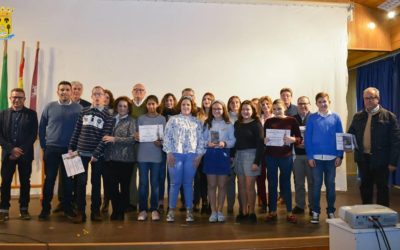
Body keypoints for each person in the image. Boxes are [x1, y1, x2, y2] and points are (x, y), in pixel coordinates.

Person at [348, 87, 400, 207]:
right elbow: (351, 134)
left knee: (382, 188)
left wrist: (393, 162)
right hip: (363, 159)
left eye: (372, 98)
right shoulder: (358, 116)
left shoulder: (389, 116)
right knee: (365, 187)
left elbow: (396, 141)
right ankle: (367, 214)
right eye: (366, 98)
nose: (369, 100)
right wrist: (346, 144)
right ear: (363, 100)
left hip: (382, 160)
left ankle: (382, 215)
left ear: (378, 98)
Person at [68, 86, 113, 223]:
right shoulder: (84, 111)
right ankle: (81, 212)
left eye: (100, 94)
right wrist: (71, 147)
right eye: (95, 94)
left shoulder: (108, 114)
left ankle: (95, 211)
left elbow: (106, 137)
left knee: (96, 183)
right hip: (81, 152)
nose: (97, 96)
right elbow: (77, 130)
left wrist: (96, 153)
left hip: (97, 155)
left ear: (104, 97)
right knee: (80, 183)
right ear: (91, 96)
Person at [38, 81, 82, 221]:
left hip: (71, 151)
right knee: (49, 179)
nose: (64, 92)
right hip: (52, 149)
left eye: (67, 89)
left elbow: (82, 129)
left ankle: (68, 209)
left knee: (69, 181)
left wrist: (77, 148)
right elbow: (42, 127)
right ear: (58, 92)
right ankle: (45, 209)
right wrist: (45, 146)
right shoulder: (50, 107)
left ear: (71, 92)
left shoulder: (79, 108)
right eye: (61, 89)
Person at [163, 96, 205, 223]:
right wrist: (168, 153)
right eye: (183, 104)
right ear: (180, 106)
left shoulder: (197, 122)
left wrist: (199, 156)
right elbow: (167, 137)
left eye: (188, 105)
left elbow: (201, 141)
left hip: (191, 157)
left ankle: (189, 210)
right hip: (175, 155)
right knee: (174, 184)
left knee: (188, 184)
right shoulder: (173, 120)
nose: (186, 107)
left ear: (192, 107)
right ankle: (171, 210)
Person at [305, 92, 343, 224]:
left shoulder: (336, 118)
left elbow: (340, 137)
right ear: (316, 104)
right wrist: (310, 156)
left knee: (330, 186)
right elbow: (307, 139)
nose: (323, 104)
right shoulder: (312, 118)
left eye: (325, 101)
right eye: (320, 102)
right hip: (316, 159)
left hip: (332, 159)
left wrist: (339, 155)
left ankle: (331, 211)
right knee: (316, 186)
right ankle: (315, 212)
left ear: (329, 102)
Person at [0, 88, 38, 222]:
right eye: (14, 97)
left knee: (25, 182)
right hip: (8, 156)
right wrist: (11, 149)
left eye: (20, 97)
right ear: (10, 98)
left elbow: (33, 135)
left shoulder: (32, 114)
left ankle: (24, 208)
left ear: (25, 99)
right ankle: (4, 209)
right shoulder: (2, 114)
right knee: (5, 182)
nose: (17, 100)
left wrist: (20, 150)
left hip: (25, 155)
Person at [53, 80, 90, 214]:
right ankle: (63, 201)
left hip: (79, 146)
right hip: (64, 145)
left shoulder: (87, 106)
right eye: (74, 88)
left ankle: (75, 201)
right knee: (64, 175)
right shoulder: (63, 104)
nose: (76, 91)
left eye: (79, 89)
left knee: (76, 174)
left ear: (82, 91)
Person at [264, 99, 301, 224]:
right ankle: (272, 211)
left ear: (284, 107)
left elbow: (299, 139)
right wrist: (265, 140)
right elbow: (265, 137)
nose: (276, 111)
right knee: (272, 184)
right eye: (274, 109)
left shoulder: (292, 120)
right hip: (271, 157)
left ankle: (289, 212)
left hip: (286, 156)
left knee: (286, 184)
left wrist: (293, 139)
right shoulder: (268, 121)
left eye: (279, 108)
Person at [102, 96, 136, 221]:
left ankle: (120, 212)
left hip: (125, 160)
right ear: (116, 107)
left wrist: (114, 139)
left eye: (125, 106)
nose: (122, 108)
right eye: (120, 106)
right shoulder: (110, 119)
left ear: (128, 109)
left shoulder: (131, 121)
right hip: (110, 158)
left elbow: (132, 139)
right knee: (111, 187)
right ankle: (116, 209)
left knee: (124, 187)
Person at [203, 100, 235, 222]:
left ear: (223, 110)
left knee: (222, 185)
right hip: (210, 155)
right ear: (211, 110)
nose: (217, 111)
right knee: (211, 185)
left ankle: (220, 211)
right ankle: (213, 211)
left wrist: (224, 143)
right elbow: (201, 140)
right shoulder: (207, 124)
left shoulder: (228, 124)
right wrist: (207, 143)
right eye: (214, 109)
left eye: (219, 109)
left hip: (223, 155)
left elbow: (233, 141)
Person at [136, 95, 166, 221]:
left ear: (157, 104)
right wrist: (136, 136)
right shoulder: (140, 119)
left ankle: (154, 209)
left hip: (156, 156)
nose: (151, 106)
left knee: (155, 183)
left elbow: (165, 138)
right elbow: (136, 135)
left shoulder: (162, 119)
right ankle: (142, 210)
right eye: (149, 104)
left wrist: (161, 142)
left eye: (153, 103)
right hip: (142, 156)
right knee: (143, 184)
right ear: (146, 105)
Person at [234, 100, 263, 223]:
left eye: (248, 109)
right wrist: (232, 156)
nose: (245, 111)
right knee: (240, 186)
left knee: (249, 186)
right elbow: (235, 142)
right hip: (238, 156)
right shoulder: (237, 123)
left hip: (252, 155)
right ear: (240, 111)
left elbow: (261, 143)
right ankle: (243, 212)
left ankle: (252, 213)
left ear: (253, 111)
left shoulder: (256, 124)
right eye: (243, 109)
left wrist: (257, 161)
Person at [292, 96, 313, 216]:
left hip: (311, 156)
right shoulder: (293, 119)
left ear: (309, 104)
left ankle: (312, 206)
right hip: (297, 156)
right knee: (298, 182)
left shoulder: (314, 118)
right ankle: (300, 205)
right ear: (297, 105)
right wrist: (296, 142)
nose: (303, 106)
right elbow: (289, 135)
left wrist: (308, 144)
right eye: (300, 104)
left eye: (305, 103)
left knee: (312, 183)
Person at [127, 82, 147, 212]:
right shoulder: (127, 105)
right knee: (131, 175)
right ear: (132, 92)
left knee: (144, 176)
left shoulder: (148, 106)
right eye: (136, 90)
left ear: (145, 93)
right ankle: (132, 202)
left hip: (146, 146)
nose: (138, 92)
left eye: (141, 90)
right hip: (130, 145)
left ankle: (143, 203)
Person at [194, 92, 215, 214]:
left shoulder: (217, 115)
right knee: (199, 178)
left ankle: (209, 202)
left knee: (210, 179)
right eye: (204, 99)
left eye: (209, 99)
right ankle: (201, 201)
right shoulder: (198, 115)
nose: (206, 101)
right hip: (199, 151)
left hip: (212, 151)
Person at [157, 93, 178, 211]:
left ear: (174, 101)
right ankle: (160, 200)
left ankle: (171, 201)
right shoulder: (160, 115)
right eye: (166, 101)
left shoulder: (178, 115)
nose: (169, 103)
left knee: (172, 176)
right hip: (160, 148)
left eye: (171, 100)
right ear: (163, 102)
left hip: (173, 150)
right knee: (161, 175)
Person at [257, 96, 274, 213]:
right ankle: (263, 201)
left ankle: (272, 202)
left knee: (272, 178)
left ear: (271, 105)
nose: (265, 107)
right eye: (263, 105)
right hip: (261, 152)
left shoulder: (276, 118)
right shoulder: (258, 119)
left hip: (273, 152)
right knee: (260, 178)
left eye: (267, 104)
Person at [100, 89, 115, 214]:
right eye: (102, 96)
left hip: (108, 150)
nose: (105, 99)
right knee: (95, 178)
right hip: (96, 150)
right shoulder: (94, 111)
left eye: (107, 97)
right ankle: (99, 202)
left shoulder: (113, 114)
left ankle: (106, 202)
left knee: (107, 178)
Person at [226, 95, 241, 214]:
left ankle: (242, 205)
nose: (235, 104)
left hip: (242, 154)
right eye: (232, 103)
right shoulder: (225, 119)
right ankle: (230, 206)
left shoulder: (245, 117)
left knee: (242, 182)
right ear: (229, 105)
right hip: (229, 154)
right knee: (230, 181)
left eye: (237, 102)